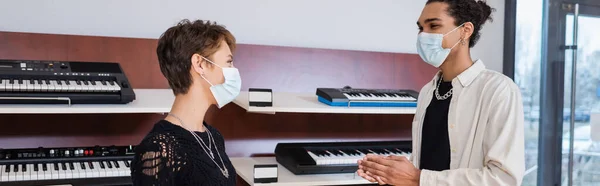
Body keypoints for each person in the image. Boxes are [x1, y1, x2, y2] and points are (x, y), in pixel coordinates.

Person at [357, 0, 525, 185]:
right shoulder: (427, 91)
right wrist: (392, 173)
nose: (423, 35)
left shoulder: (498, 90)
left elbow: (504, 179)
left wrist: (417, 178)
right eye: (421, 28)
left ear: (465, 30)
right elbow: (428, 163)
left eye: (433, 25)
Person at [130, 19, 240, 186]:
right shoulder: (158, 149)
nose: (233, 70)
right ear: (200, 64)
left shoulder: (213, 136)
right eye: (229, 62)